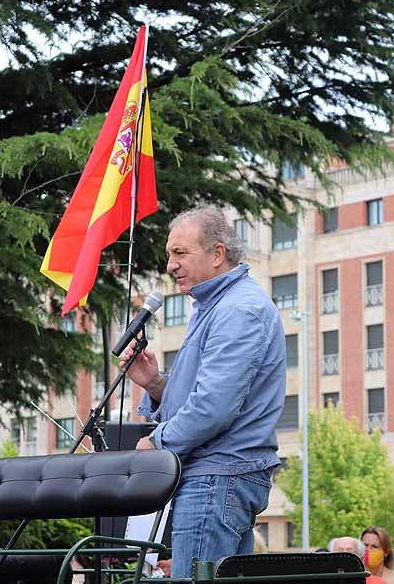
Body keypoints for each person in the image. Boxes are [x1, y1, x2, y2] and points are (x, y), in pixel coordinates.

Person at [124, 206, 286, 579]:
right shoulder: (216, 306)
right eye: (169, 255)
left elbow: (213, 407)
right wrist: (155, 383)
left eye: (180, 254)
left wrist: (157, 442)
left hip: (218, 477)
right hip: (215, 476)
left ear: (217, 254)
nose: (170, 266)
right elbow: (209, 397)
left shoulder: (239, 310)